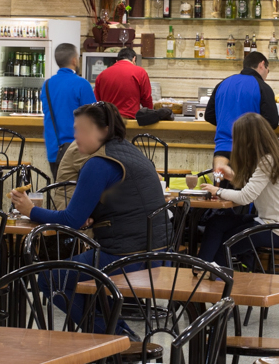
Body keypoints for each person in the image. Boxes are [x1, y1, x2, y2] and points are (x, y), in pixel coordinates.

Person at [12, 101, 168, 260]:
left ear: (104, 131)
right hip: (159, 255)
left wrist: (30, 210)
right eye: (76, 130)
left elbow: (70, 220)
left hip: (128, 259)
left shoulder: (99, 163)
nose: (76, 136)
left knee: (48, 277)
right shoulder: (130, 150)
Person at [200, 112, 279, 264]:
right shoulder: (275, 156)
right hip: (276, 224)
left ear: (247, 140)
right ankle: (202, 268)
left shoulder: (268, 161)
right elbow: (256, 190)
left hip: (278, 230)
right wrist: (232, 177)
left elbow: (246, 197)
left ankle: (210, 275)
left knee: (224, 244)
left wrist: (217, 191)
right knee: (217, 223)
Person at [203, 50, 279, 167]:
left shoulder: (223, 84)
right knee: (247, 186)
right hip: (249, 153)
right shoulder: (263, 87)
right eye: (268, 71)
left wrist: (227, 123)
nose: (266, 76)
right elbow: (272, 122)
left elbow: (209, 115)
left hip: (221, 152)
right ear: (262, 64)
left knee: (220, 186)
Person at [40, 42, 96, 181]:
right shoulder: (82, 84)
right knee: (77, 195)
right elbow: (94, 117)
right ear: (74, 60)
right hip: (78, 150)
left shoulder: (46, 85)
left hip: (54, 150)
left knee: (61, 192)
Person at [93, 46, 152, 121]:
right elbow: (146, 99)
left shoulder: (102, 75)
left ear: (117, 61)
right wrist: (151, 116)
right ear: (134, 59)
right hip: (130, 120)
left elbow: (97, 101)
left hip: (109, 121)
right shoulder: (140, 72)